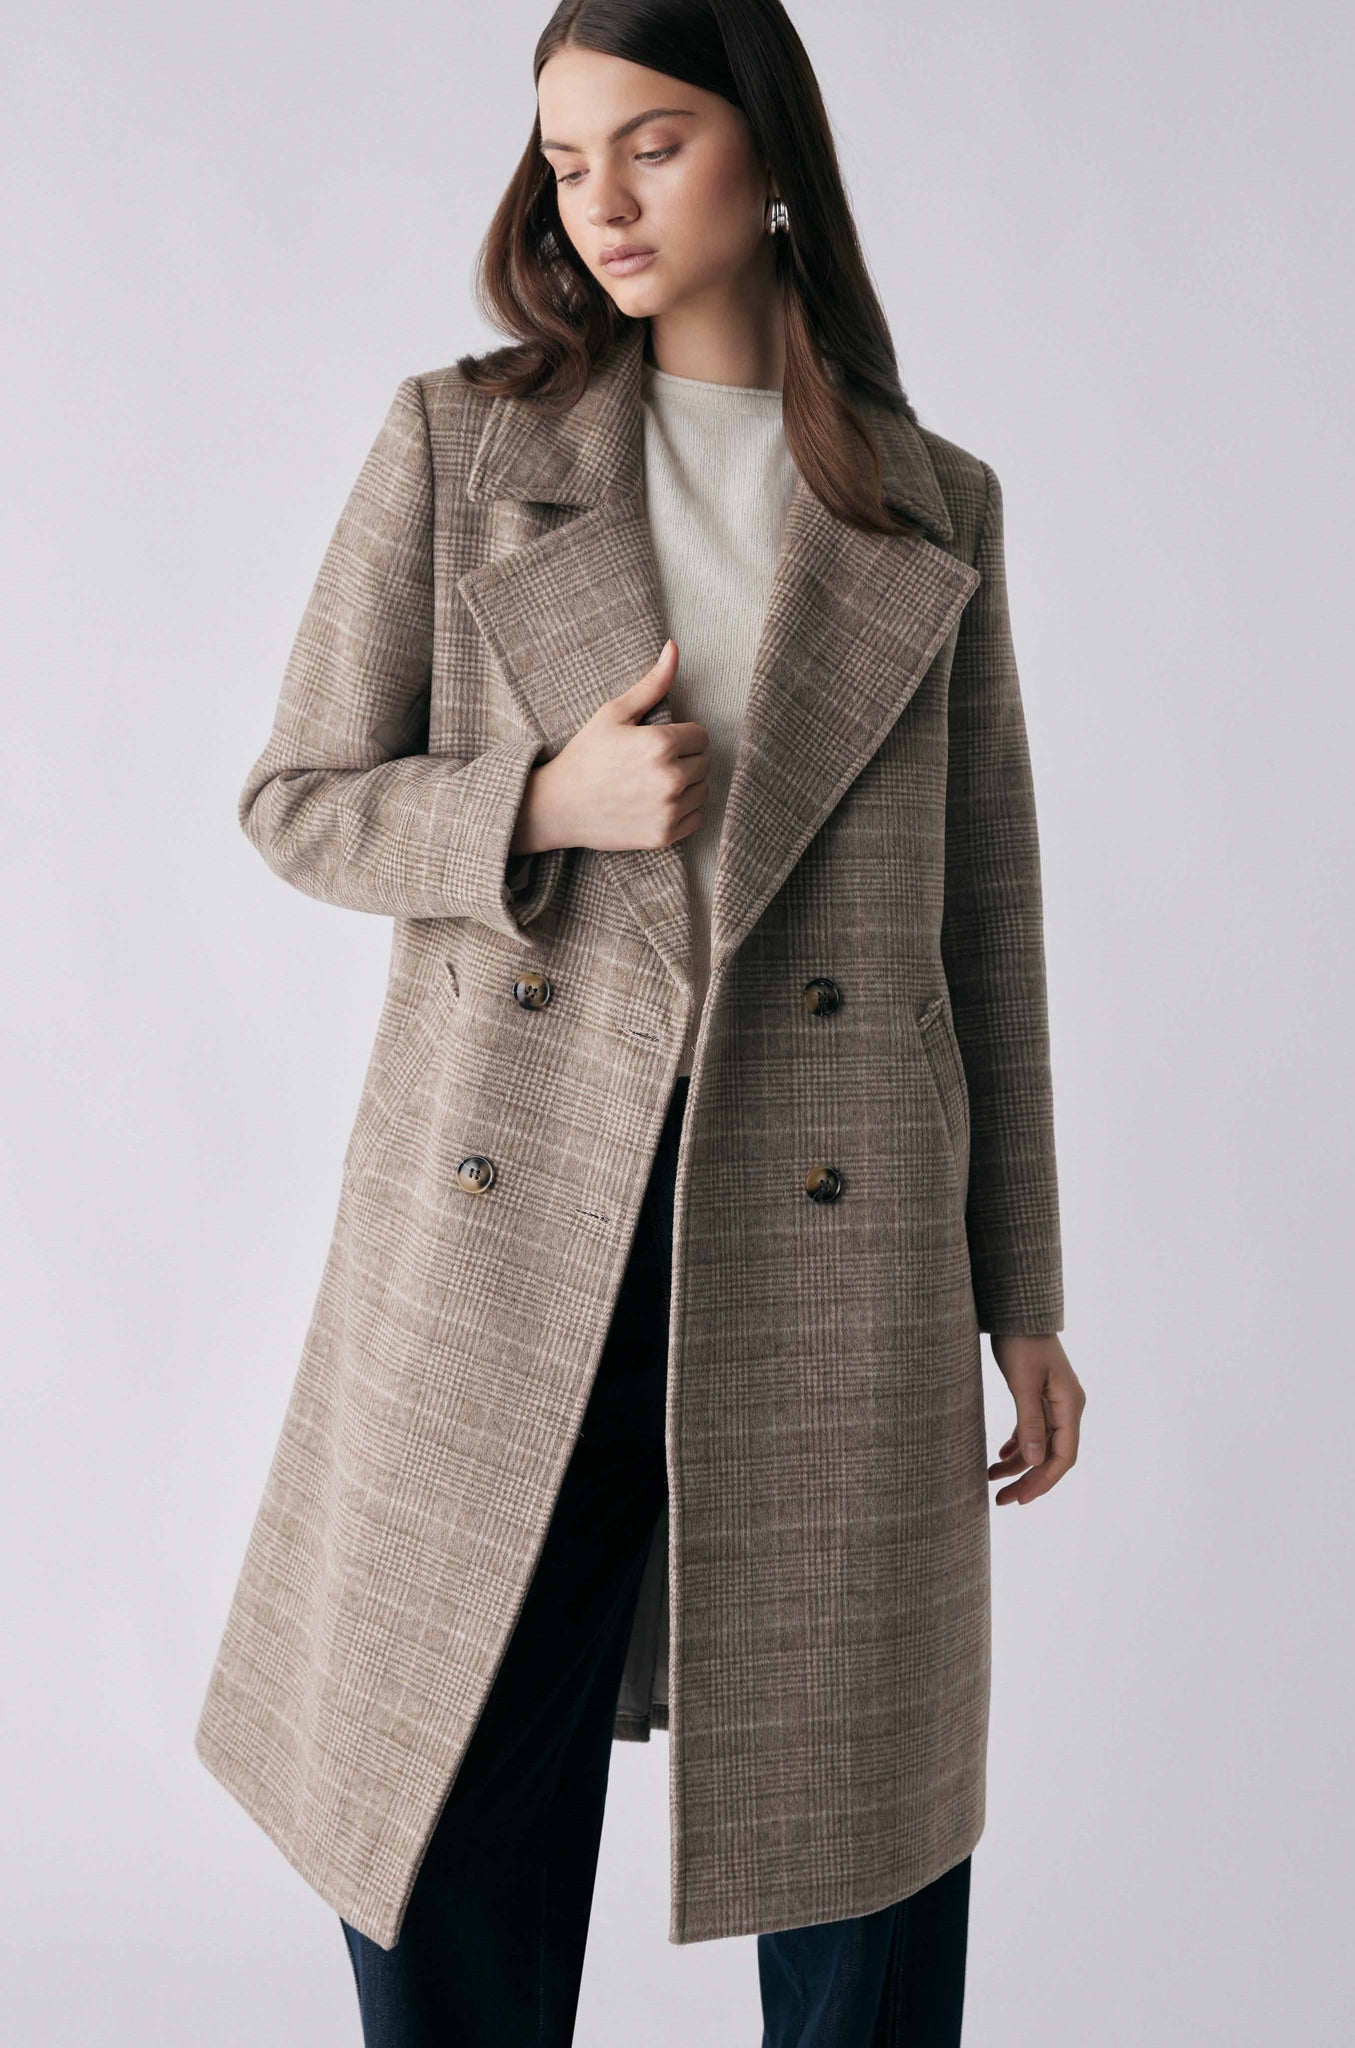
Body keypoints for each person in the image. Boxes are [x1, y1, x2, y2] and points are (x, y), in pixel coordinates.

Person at [195, 1, 1088, 2040]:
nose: (596, 199)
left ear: (767, 157)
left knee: (858, 1831)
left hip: (838, 1239)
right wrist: (537, 804)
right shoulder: (460, 442)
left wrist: (1022, 1292)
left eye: (651, 143)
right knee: (446, 1799)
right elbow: (295, 801)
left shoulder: (933, 504)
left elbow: (984, 920)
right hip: (516, 1230)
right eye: (563, 156)